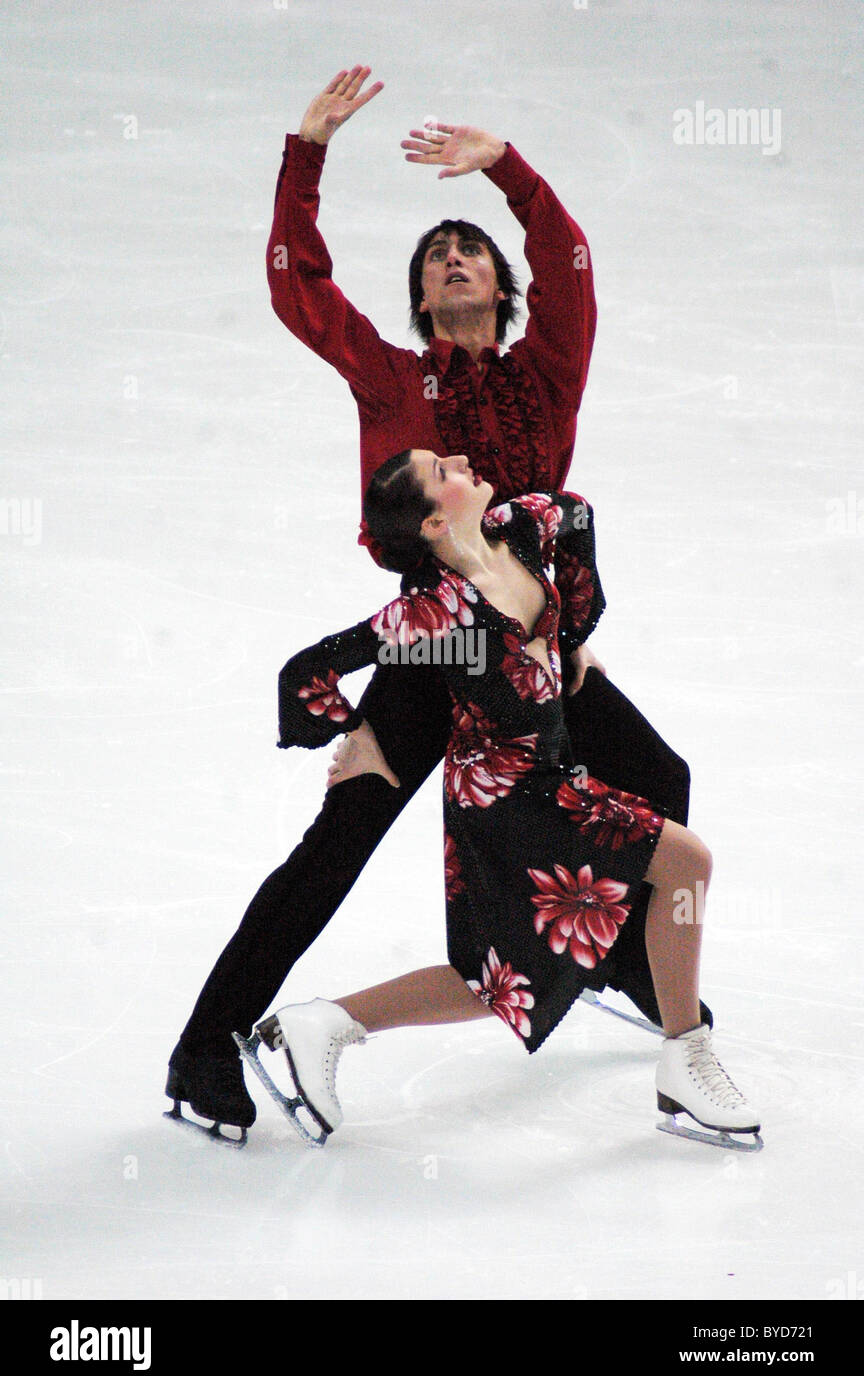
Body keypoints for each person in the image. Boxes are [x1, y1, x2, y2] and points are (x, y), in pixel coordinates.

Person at [166, 67, 706, 1135]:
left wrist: (506, 169)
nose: (452, 258)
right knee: (339, 842)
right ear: (421, 299)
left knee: (658, 778)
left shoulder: (546, 373)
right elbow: (297, 290)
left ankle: (617, 959)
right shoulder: (392, 378)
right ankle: (205, 1046)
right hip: (429, 647)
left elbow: (572, 265)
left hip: (532, 636)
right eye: (433, 256)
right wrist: (306, 153)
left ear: (501, 289)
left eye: (470, 252)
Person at [240, 450, 759, 1150]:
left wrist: (570, 638)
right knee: (684, 863)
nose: (460, 460)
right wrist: (357, 734)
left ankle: (325, 1022)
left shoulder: (521, 527)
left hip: (550, 776)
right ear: (432, 522)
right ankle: (686, 1056)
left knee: (500, 982)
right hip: (502, 801)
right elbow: (306, 672)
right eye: (442, 470)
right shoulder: (433, 613)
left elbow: (578, 514)